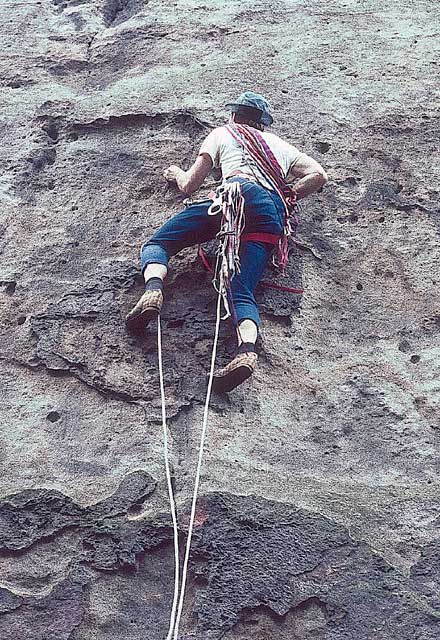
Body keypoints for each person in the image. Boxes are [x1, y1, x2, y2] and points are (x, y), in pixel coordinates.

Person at [126, 91, 328, 392]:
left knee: (159, 245)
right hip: (271, 212)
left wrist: (175, 173)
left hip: (234, 197)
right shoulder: (280, 146)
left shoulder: (222, 133)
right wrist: (290, 194)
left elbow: (189, 185)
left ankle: (154, 291)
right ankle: (246, 352)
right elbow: (319, 175)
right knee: (241, 290)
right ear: (263, 124)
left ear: (234, 116)